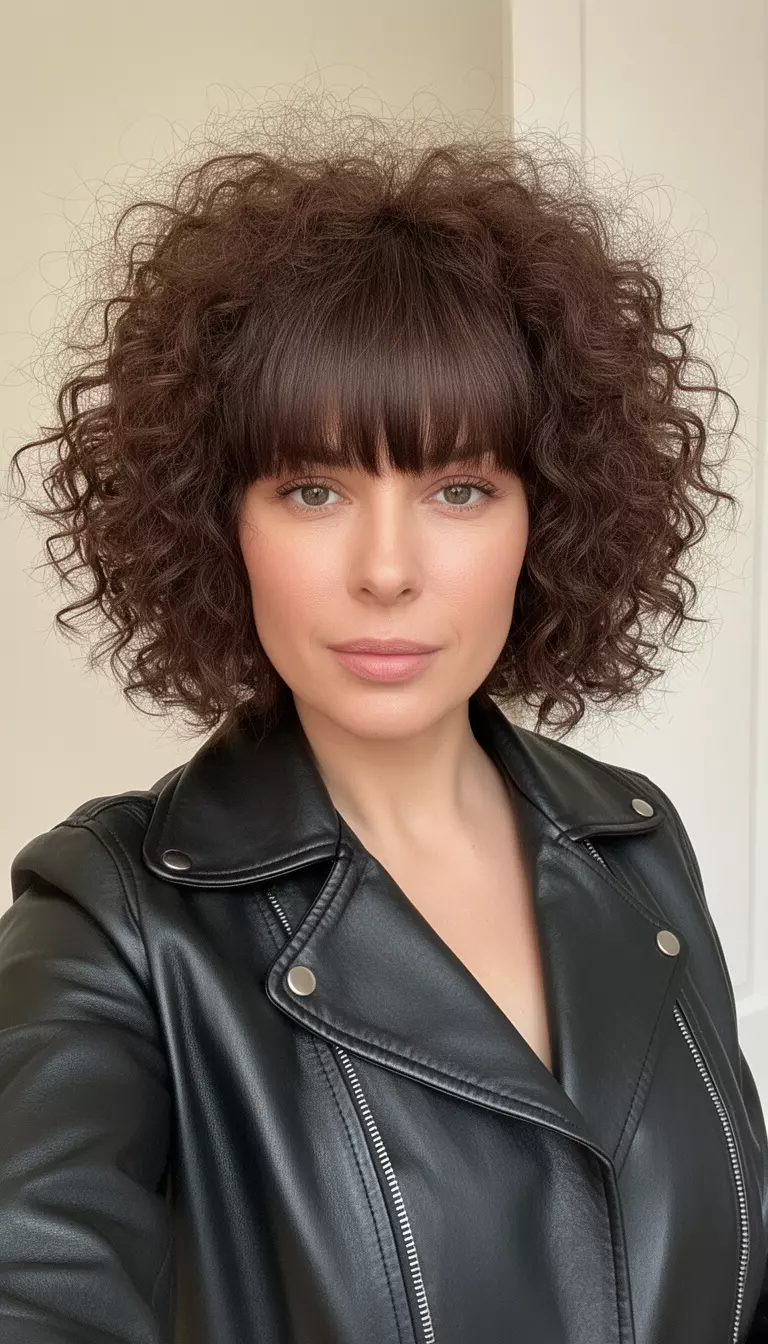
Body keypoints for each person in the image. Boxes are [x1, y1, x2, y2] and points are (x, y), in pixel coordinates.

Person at [2, 92, 767, 1344]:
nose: (388, 567)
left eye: (460, 487)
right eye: (314, 488)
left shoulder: (634, 846)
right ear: (218, 520)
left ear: (550, 516)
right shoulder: (115, 924)